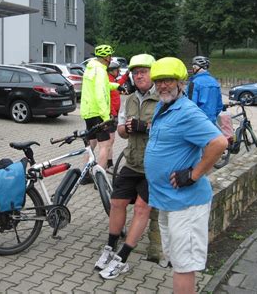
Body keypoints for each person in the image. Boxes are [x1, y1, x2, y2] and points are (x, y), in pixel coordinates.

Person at [144, 57, 228, 294]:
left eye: (169, 80)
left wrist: (193, 174)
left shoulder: (187, 111)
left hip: (186, 204)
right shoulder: (163, 106)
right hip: (167, 200)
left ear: (181, 82)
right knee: (176, 260)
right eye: (159, 81)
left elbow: (218, 142)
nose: (163, 85)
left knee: (184, 266)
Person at [95, 54, 162, 280]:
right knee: (116, 202)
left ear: (154, 73)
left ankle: (122, 258)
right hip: (132, 161)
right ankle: (109, 248)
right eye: (135, 72)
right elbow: (122, 129)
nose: (139, 75)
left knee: (142, 208)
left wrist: (146, 127)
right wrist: (127, 129)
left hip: (153, 166)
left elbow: (170, 131)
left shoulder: (163, 98)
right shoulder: (131, 98)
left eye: (143, 71)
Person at [80, 44, 119, 183]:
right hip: (98, 113)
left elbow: (103, 86)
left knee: (91, 143)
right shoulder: (101, 71)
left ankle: (85, 175)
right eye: (110, 56)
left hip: (88, 112)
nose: (111, 58)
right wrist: (106, 117)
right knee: (106, 144)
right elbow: (100, 94)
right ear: (106, 57)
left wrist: (116, 85)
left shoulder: (90, 68)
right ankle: (100, 179)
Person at [106, 61, 130, 170]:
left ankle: (109, 162)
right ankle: (108, 163)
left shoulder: (113, 81)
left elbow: (119, 83)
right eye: (117, 70)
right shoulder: (108, 82)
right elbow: (107, 100)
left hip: (114, 113)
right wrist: (112, 113)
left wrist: (126, 75)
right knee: (109, 141)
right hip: (111, 114)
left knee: (111, 140)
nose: (119, 71)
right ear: (111, 71)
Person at [186, 55, 223, 124]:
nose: (192, 68)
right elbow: (219, 106)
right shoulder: (214, 82)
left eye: (193, 66)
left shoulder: (194, 83)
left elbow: (190, 106)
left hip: (197, 124)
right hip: (212, 124)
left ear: (196, 67)